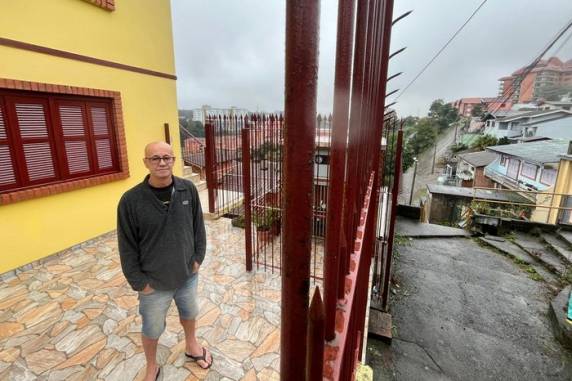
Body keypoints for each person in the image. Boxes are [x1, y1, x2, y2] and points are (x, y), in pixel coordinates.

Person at [117, 141, 212, 381]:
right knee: (152, 327)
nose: (162, 162)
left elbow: (198, 228)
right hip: (153, 283)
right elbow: (126, 246)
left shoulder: (187, 189)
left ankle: (192, 346)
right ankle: (151, 366)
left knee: (189, 313)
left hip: (187, 276)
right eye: (155, 158)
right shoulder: (131, 201)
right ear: (145, 162)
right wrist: (140, 283)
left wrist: (197, 259)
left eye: (167, 157)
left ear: (173, 160)